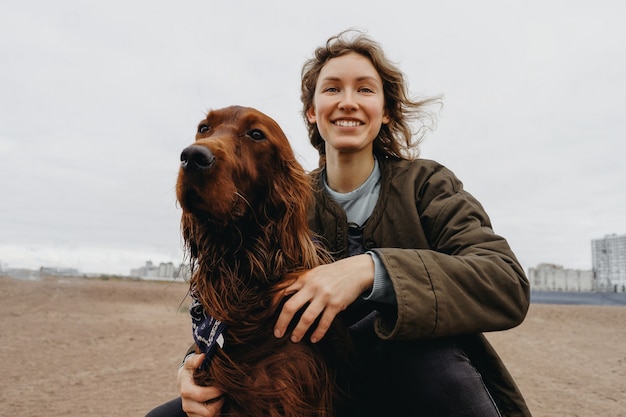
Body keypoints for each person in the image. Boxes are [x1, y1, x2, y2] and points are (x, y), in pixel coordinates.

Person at [147, 29, 532, 417]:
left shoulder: (427, 186)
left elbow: (506, 282)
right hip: (312, 382)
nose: (348, 102)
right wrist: (191, 366)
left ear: (386, 112)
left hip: (416, 382)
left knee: (436, 366)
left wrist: (371, 270)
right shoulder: (282, 196)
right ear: (313, 112)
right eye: (332, 89)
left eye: (364, 90)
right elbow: (236, 301)